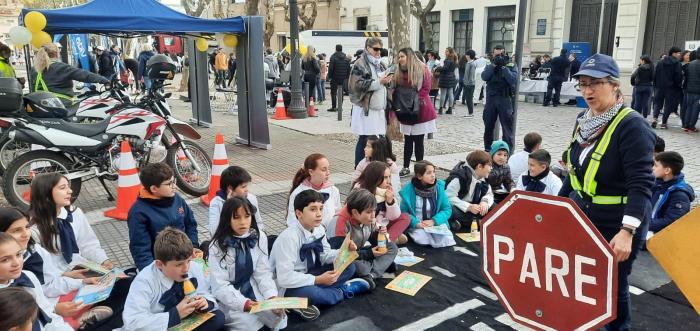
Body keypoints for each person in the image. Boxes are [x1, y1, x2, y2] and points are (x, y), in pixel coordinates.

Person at [561, 53, 656, 330]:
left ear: (614, 85)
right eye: (582, 84)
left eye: (596, 84)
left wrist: (627, 232)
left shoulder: (632, 125)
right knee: (583, 275)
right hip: (584, 212)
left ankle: (618, 327)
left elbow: (641, 184)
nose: (587, 91)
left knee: (613, 282)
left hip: (618, 219)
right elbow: (574, 172)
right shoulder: (583, 119)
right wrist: (555, 208)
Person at [28, 173, 129, 330]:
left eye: (68, 186)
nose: (70, 191)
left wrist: (104, 261)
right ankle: (84, 321)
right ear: (46, 194)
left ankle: (89, 319)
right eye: (63, 188)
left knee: (126, 283)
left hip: (83, 270)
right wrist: (67, 276)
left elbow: (88, 243)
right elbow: (46, 276)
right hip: (59, 282)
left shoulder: (74, 213)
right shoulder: (34, 230)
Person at [270, 190, 370, 321]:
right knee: (313, 293)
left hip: (311, 273)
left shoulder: (319, 229)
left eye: (321, 209)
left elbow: (325, 255)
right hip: (289, 285)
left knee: (349, 267)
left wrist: (344, 252)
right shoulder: (289, 238)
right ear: (299, 213)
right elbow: (284, 278)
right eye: (313, 209)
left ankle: (302, 302)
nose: (319, 214)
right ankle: (342, 291)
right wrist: (317, 280)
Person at [122, 228, 226, 331]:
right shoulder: (144, 281)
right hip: (160, 326)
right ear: (160, 264)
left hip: (187, 321)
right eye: (179, 264)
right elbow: (133, 322)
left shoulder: (194, 267)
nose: (186, 268)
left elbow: (205, 291)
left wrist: (205, 302)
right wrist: (175, 314)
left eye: (188, 261)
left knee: (218, 318)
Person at [208, 198, 287, 330]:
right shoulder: (217, 245)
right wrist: (244, 304)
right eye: (237, 217)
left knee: (278, 316)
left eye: (247, 216)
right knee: (248, 324)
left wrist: (271, 297)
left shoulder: (259, 236)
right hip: (230, 297)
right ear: (228, 219)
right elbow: (220, 286)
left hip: (253, 287)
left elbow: (262, 273)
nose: (243, 222)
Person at [127, 163, 198, 271]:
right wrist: (151, 272)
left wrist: (193, 246)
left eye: (174, 181)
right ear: (154, 188)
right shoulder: (138, 212)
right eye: (169, 184)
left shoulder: (177, 199)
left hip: (185, 259)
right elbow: (140, 248)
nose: (174, 186)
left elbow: (190, 223)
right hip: (162, 266)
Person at [0, 233, 74, 330]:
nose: (16, 263)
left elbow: (47, 314)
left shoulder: (28, 276)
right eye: (5, 260)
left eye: (18, 254)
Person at [333, 189, 399, 286]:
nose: (373, 216)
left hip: (360, 253)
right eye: (369, 212)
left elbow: (377, 242)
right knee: (359, 267)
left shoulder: (368, 218)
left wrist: (381, 234)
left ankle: (371, 275)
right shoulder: (340, 223)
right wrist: (370, 254)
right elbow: (340, 257)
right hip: (344, 259)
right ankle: (379, 268)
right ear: (355, 212)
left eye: (374, 211)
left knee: (392, 247)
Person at [393, 47, 437, 177]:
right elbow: (395, 86)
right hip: (404, 108)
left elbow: (426, 87)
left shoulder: (422, 68)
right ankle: (406, 166)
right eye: (399, 57)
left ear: (409, 56)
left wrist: (414, 101)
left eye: (402, 56)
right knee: (407, 140)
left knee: (418, 141)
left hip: (420, 108)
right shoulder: (398, 70)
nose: (400, 59)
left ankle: (420, 168)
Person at [343, 161, 410, 244]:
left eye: (389, 177)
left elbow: (394, 216)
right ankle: (389, 239)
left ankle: (387, 239)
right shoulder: (361, 189)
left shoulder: (387, 189)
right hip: (368, 225)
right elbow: (360, 217)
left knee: (405, 217)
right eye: (385, 177)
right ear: (375, 178)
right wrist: (378, 226)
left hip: (383, 223)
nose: (388, 181)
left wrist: (390, 202)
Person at [349, 37, 392, 166]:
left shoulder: (381, 64)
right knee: (365, 139)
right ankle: (359, 168)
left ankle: (374, 166)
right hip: (365, 108)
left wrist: (388, 81)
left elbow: (384, 85)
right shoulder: (360, 63)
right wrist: (379, 82)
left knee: (377, 140)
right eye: (376, 49)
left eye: (380, 49)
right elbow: (355, 85)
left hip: (379, 108)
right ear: (368, 48)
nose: (378, 52)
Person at [30, 43, 109, 107]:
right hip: (61, 105)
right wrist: (104, 80)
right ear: (56, 54)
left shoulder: (34, 69)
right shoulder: (61, 67)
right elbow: (84, 75)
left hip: (41, 104)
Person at [399, 160, 455, 247]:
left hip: (435, 224)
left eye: (433, 172)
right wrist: (416, 223)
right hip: (419, 224)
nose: (433, 175)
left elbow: (447, 209)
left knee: (446, 239)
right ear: (419, 176)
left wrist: (434, 221)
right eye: (429, 173)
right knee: (422, 240)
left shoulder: (439, 188)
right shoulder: (409, 191)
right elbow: (404, 212)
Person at [286, 154, 341, 230]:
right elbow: (292, 221)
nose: (328, 173)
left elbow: (337, 214)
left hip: (329, 236)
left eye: (328, 169)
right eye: (323, 170)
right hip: (307, 238)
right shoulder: (298, 193)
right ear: (311, 172)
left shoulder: (333, 190)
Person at [445, 151, 494, 231]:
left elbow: (489, 194)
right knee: (451, 210)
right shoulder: (460, 178)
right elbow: (448, 197)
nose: (491, 168)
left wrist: (485, 202)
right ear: (479, 166)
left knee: (496, 207)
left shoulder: (484, 176)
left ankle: (473, 222)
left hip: (476, 207)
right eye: (489, 166)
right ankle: (478, 222)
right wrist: (468, 207)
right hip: (462, 207)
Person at [481, 45, 518, 151]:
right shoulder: (490, 64)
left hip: (504, 98)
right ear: (493, 54)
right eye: (496, 55)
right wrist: (493, 66)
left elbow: (513, 80)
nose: (498, 57)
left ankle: (507, 151)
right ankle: (488, 150)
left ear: (505, 53)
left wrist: (503, 67)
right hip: (491, 99)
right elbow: (484, 77)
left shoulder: (510, 64)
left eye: (501, 54)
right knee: (488, 126)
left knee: (507, 128)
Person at [208, 166, 263, 235]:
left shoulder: (251, 198)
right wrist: (228, 207)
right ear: (230, 189)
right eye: (243, 187)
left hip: (250, 239)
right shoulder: (217, 203)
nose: (247, 190)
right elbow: (213, 231)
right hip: (227, 242)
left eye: (246, 186)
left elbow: (259, 224)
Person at [649, 152, 694, 235]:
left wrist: (642, 224)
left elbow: (671, 222)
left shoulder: (680, 195)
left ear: (667, 170)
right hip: (648, 226)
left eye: (655, 165)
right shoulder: (658, 184)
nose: (652, 168)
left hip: (659, 236)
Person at [652, 46, 683, 129]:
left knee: (657, 103)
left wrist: (655, 85)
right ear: (673, 53)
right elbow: (678, 76)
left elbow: (655, 75)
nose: (680, 55)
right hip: (672, 88)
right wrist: (678, 86)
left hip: (659, 87)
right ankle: (664, 123)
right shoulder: (677, 63)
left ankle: (655, 118)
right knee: (668, 106)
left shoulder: (660, 62)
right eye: (678, 53)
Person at [486, 140, 514, 205]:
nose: (502, 157)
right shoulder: (486, 166)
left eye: (505, 155)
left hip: (499, 192)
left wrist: (512, 188)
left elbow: (508, 181)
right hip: (487, 194)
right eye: (499, 154)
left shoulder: (506, 167)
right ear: (492, 154)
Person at [327, 44, 351, 112]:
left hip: (334, 78)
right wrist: (346, 77)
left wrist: (330, 76)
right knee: (341, 93)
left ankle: (334, 107)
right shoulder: (346, 58)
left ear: (336, 49)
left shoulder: (333, 57)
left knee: (333, 92)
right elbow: (348, 68)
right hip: (343, 78)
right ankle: (340, 107)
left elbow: (331, 68)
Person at [682, 50, 700, 132]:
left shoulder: (690, 64)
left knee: (689, 107)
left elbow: (686, 76)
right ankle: (691, 126)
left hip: (689, 89)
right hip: (698, 91)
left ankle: (686, 124)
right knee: (695, 109)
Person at [437, 47, 458, 114]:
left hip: (445, 77)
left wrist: (439, 68)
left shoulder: (447, 60)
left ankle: (440, 109)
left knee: (443, 94)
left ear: (450, 52)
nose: (445, 52)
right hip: (451, 77)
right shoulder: (454, 59)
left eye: (447, 51)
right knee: (451, 93)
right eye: (445, 51)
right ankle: (450, 109)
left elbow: (445, 69)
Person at [462, 50, 477, 117]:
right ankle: (470, 112)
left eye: (466, 55)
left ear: (469, 55)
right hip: (466, 83)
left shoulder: (472, 64)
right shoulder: (468, 63)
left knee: (469, 99)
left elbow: (471, 75)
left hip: (470, 84)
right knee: (467, 99)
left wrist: (468, 83)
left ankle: (471, 113)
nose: (465, 56)